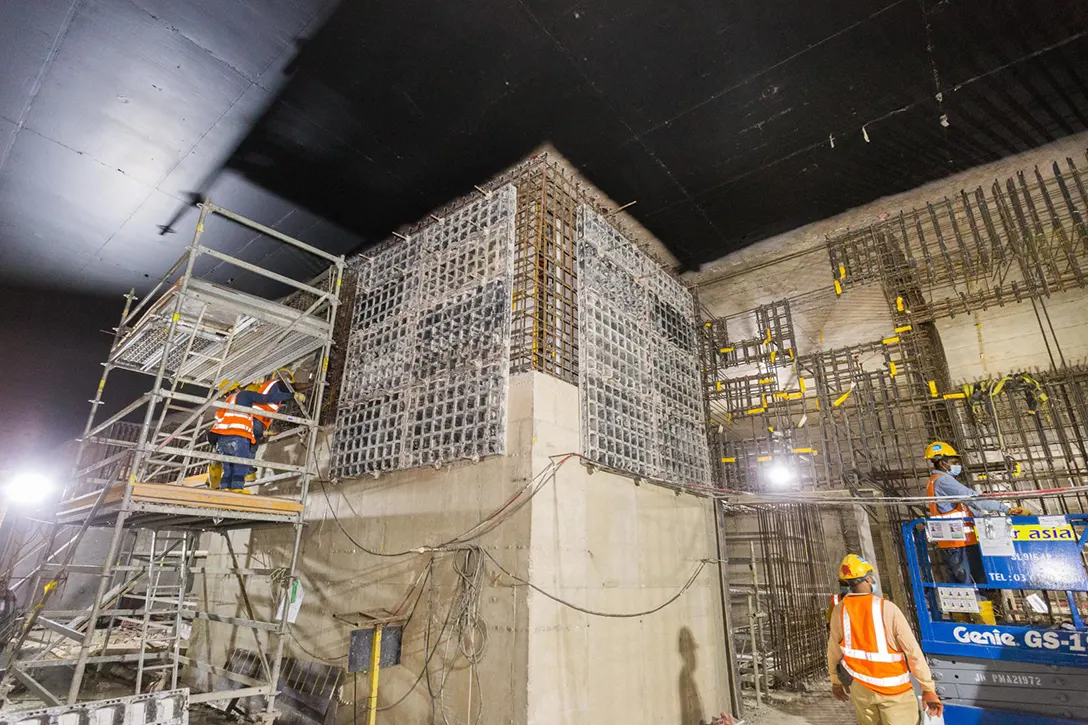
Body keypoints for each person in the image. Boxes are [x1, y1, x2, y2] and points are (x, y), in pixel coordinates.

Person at [828, 555, 942, 725]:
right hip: (895, 692)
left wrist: (835, 681)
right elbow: (913, 652)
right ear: (867, 578)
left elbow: (833, 650)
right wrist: (928, 688)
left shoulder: (840, 611)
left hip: (861, 688)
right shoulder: (887, 608)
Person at [924, 441, 1028, 585]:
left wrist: (993, 517)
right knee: (970, 585)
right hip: (957, 542)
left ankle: (981, 606)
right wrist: (1006, 509)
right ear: (943, 463)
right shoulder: (943, 481)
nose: (957, 465)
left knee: (971, 583)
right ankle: (979, 606)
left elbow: (967, 508)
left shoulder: (939, 481)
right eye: (954, 462)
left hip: (959, 541)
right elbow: (973, 499)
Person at [208, 380, 301, 492]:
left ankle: (226, 489)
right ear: (237, 388)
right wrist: (292, 395)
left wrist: (264, 433)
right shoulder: (244, 394)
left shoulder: (225, 403)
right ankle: (237, 489)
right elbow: (266, 398)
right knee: (241, 466)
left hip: (221, 440)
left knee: (228, 467)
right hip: (238, 437)